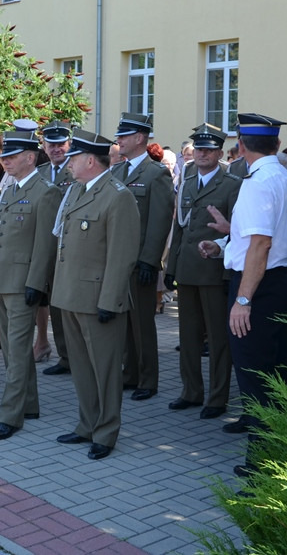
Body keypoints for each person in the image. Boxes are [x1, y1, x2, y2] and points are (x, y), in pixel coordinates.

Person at [198, 113, 287, 475]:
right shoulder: (283, 176)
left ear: (240, 146)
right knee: (275, 376)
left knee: (257, 380)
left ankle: (262, 467)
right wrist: (227, 243)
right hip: (279, 281)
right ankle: (277, 457)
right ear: (275, 144)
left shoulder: (258, 182)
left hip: (259, 288)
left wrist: (243, 300)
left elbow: (261, 245)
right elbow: (259, 239)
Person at [50, 131, 139, 461]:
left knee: (104, 369)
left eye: (74, 158)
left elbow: (122, 254)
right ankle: (86, 423)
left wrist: (110, 300)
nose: (68, 163)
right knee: (82, 368)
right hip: (70, 294)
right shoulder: (76, 190)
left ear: (90, 160)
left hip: (98, 297)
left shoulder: (117, 196)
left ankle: (106, 431)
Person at [0, 130, 60, 441]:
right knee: (11, 351)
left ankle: (11, 414)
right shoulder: (11, 189)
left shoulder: (45, 192)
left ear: (30, 158)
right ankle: (27, 403)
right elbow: (0, 239)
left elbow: (45, 244)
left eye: (12, 156)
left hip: (22, 284)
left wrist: (36, 283)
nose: (5, 160)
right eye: (5, 155)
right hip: (3, 280)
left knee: (16, 351)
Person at [165, 123, 240, 421]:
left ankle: (218, 396)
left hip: (213, 271)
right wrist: (171, 268)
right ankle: (190, 391)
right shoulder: (187, 180)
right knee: (189, 334)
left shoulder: (232, 184)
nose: (202, 154)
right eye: (198, 149)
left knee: (219, 339)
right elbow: (180, 227)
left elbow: (236, 233)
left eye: (209, 150)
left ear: (220, 153)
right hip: (187, 270)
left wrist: (226, 274)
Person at [111, 112, 174, 402]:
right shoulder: (117, 172)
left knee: (142, 324)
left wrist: (150, 260)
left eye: (124, 136)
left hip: (140, 262)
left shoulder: (155, 173)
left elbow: (160, 220)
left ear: (139, 138)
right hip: (118, 261)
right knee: (123, 322)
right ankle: (130, 372)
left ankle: (148, 378)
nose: (119, 140)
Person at [39, 120, 75, 376]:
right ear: (44, 146)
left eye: (61, 144)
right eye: (51, 144)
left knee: (70, 305)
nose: (56, 149)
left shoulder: (76, 170)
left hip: (70, 247)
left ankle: (76, 356)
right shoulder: (39, 172)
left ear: (69, 144)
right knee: (54, 304)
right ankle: (64, 356)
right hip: (45, 247)